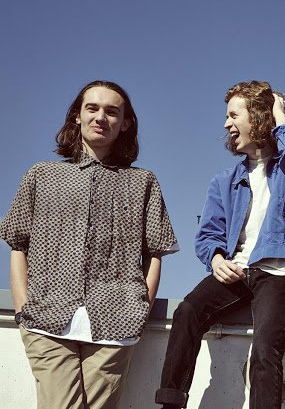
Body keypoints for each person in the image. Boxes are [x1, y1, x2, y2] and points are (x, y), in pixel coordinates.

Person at [0, 80, 179, 409]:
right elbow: (18, 243)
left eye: (112, 112)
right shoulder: (41, 175)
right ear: (77, 116)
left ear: (125, 123)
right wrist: (23, 307)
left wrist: (141, 307)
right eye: (92, 108)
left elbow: (155, 251)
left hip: (117, 322)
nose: (100, 117)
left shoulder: (143, 182)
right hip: (46, 319)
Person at [155, 80, 285, 409]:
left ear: (259, 117)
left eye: (233, 115)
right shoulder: (224, 181)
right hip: (238, 269)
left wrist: (279, 114)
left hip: (280, 273)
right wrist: (217, 259)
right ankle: (170, 404)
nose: (226, 124)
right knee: (187, 311)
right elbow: (208, 234)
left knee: (264, 349)